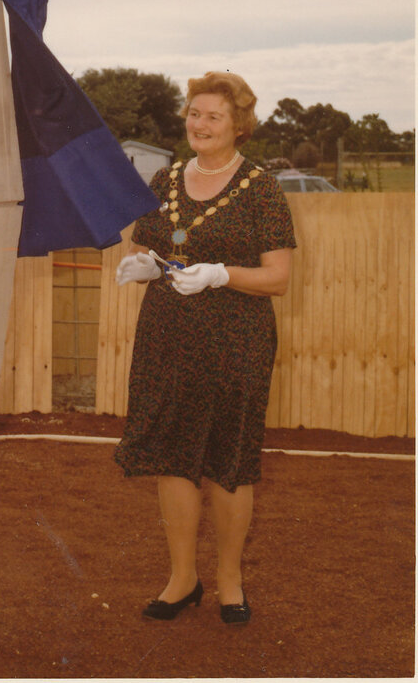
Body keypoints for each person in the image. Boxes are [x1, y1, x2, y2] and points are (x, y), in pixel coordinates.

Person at [112, 71, 295, 626]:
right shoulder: (167, 177)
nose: (200, 124)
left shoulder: (261, 187)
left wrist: (220, 274)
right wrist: (145, 266)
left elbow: (278, 278)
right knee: (173, 457)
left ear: (238, 125)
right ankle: (182, 579)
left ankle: (230, 582)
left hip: (235, 340)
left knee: (228, 463)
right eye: (194, 113)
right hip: (168, 335)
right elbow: (148, 244)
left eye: (214, 116)